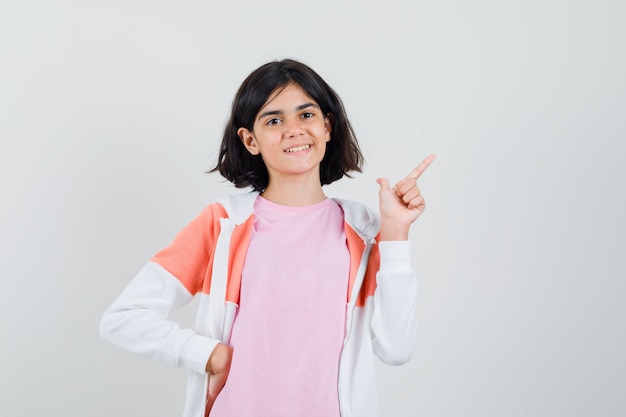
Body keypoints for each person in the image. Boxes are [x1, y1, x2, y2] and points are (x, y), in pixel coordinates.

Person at [100, 58, 435, 417]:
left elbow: (396, 349)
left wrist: (396, 235)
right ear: (250, 140)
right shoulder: (224, 223)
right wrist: (208, 355)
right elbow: (123, 317)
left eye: (306, 115)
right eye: (273, 120)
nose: (293, 129)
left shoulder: (364, 232)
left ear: (327, 126)